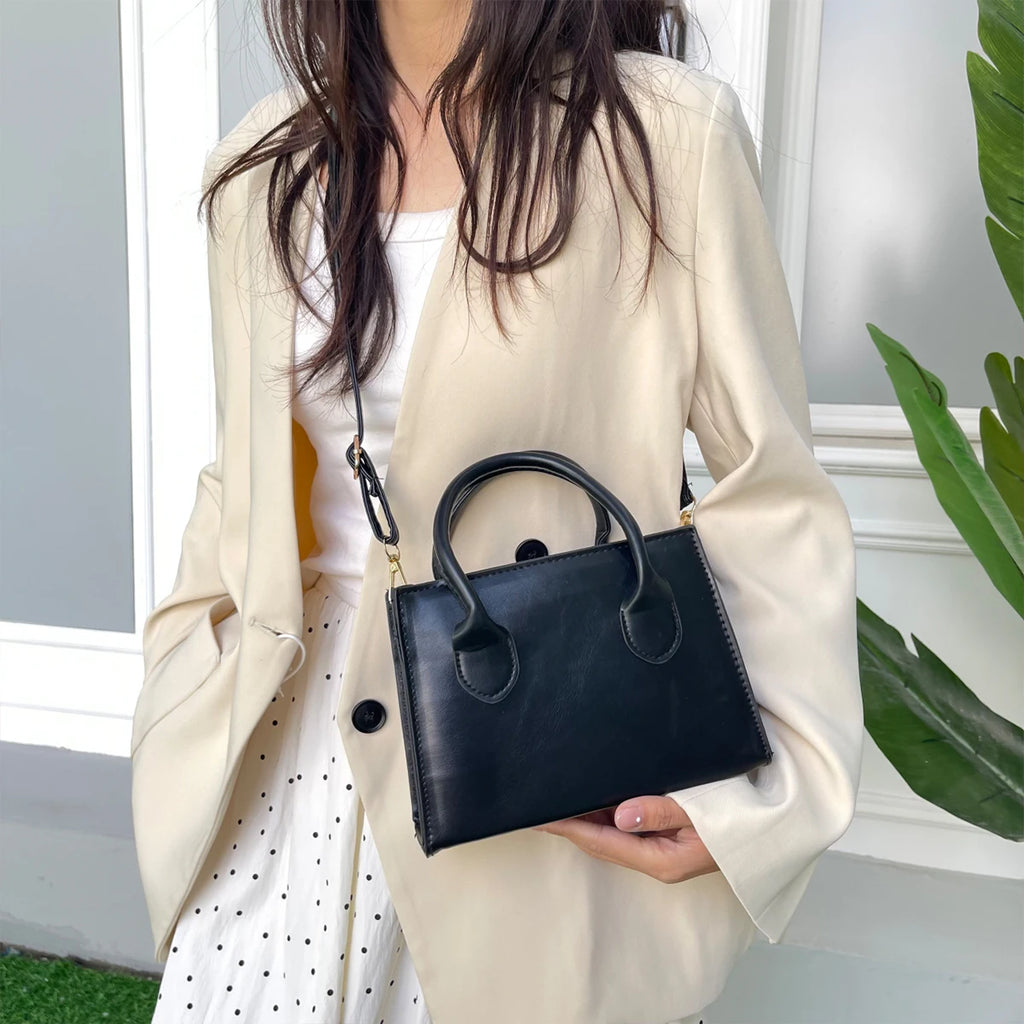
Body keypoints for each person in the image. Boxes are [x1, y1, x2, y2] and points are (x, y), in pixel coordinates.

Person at [132, 2, 864, 1022]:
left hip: (535, 739)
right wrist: (175, 676)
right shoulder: (264, 163)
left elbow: (771, 493)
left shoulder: (659, 139)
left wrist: (762, 795)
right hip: (283, 762)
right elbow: (241, 484)